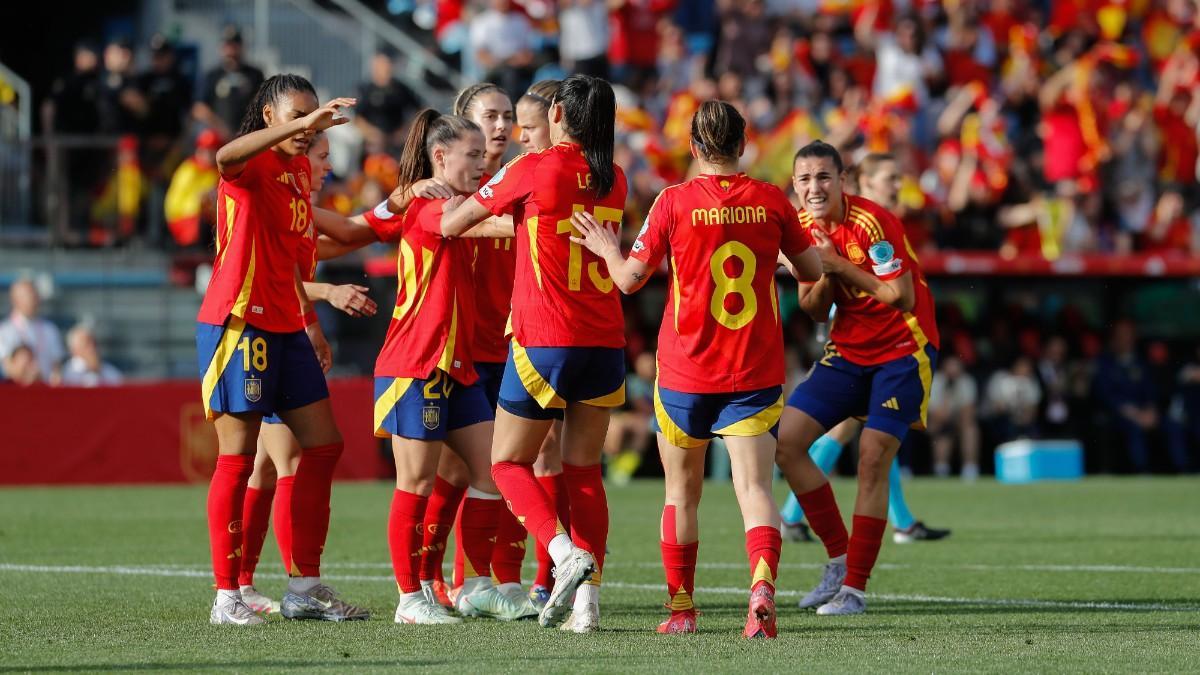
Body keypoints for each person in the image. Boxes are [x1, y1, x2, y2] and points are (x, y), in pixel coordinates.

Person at [570, 100, 821, 637]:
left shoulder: (674, 202)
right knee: (754, 489)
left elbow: (630, 280)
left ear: (695, 148)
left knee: (680, 495)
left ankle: (682, 611)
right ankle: (761, 588)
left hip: (686, 371)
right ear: (743, 145)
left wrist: (605, 249)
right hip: (753, 368)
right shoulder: (773, 201)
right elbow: (812, 269)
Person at [440, 74, 628, 632]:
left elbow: (452, 223)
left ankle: (561, 552)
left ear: (560, 116)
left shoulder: (532, 167)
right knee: (584, 471)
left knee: (505, 462)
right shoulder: (614, 176)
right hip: (605, 342)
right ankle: (587, 605)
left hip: (545, 338)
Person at [195, 73, 366, 625]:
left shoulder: (296, 171)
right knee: (239, 457)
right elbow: (223, 155)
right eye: (297, 114)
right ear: (269, 116)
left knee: (324, 445)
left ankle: (304, 585)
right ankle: (228, 597)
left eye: (314, 113)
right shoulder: (252, 164)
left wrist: (311, 322)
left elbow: (291, 259)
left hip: (285, 326)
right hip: (239, 320)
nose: (309, 123)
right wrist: (296, 130)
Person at [369, 108, 533, 624]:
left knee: (494, 471)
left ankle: (476, 583)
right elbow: (477, 226)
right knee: (414, 484)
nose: (482, 164)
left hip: (455, 365)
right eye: (473, 155)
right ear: (440, 157)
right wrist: (537, 221)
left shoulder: (449, 201)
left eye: (484, 156)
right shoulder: (429, 204)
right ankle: (409, 599)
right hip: (415, 364)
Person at [774, 140, 940, 616]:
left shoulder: (875, 222)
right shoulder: (800, 228)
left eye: (823, 177)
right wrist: (824, 273)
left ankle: (854, 590)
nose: (814, 188)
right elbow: (811, 308)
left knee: (871, 459)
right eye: (804, 179)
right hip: (847, 349)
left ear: (842, 181)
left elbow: (901, 297)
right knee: (786, 443)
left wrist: (841, 265)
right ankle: (838, 559)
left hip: (902, 351)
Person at [233, 130, 380, 616]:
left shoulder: (300, 203)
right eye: (320, 158)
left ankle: (247, 580)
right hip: (265, 331)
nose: (325, 168)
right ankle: (293, 583)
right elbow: (282, 267)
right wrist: (327, 296)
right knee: (283, 462)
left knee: (268, 466)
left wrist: (395, 209)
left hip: (285, 331)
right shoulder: (271, 192)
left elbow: (338, 236)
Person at [417, 83, 540, 615]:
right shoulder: (442, 191)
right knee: (454, 470)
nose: (500, 126)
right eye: (489, 116)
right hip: (458, 346)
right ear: (462, 124)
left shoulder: (519, 180)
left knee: (517, 461)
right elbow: (386, 225)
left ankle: (503, 581)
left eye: (508, 116)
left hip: (513, 340)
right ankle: (433, 577)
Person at [193, 26, 265, 140]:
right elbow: (199, 108)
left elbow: (264, 104)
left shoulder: (255, 74)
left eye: (235, 45)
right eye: (228, 45)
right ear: (221, 48)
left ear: (242, 47)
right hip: (218, 139)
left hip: (248, 137)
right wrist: (221, 129)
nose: (231, 50)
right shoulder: (212, 75)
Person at [165, 129, 223, 248]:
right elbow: (174, 206)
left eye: (212, 150)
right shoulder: (188, 169)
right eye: (205, 150)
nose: (208, 154)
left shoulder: (215, 171)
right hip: (184, 219)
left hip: (204, 220)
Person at [0, 279, 65, 384]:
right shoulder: (4, 331)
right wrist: (27, 376)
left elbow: (56, 367)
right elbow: (7, 368)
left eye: (35, 295)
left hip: (46, 392)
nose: (34, 300)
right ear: (15, 299)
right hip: (17, 393)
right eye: (28, 295)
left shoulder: (50, 329)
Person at [928, 354, 981, 480]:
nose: (953, 370)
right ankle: (941, 469)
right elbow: (936, 413)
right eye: (950, 366)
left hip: (959, 420)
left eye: (956, 366)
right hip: (937, 422)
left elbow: (968, 410)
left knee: (970, 430)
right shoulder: (936, 381)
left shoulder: (967, 381)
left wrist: (958, 420)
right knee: (943, 433)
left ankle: (970, 469)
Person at [355, 51, 419, 153]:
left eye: (388, 66)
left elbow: (420, 110)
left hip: (397, 141)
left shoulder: (400, 88)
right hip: (373, 142)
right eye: (382, 66)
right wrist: (371, 134)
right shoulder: (365, 90)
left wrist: (406, 130)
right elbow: (356, 118)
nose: (387, 69)